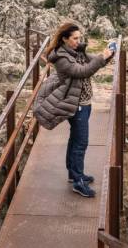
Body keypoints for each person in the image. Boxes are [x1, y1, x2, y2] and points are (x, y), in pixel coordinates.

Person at [40, 22, 113, 197]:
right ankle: (78, 182)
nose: (78, 41)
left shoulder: (76, 50)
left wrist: (108, 55)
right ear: (65, 39)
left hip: (84, 101)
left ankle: (74, 175)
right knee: (81, 142)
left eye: (79, 38)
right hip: (76, 103)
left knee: (75, 139)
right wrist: (100, 58)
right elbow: (83, 71)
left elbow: (93, 61)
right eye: (74, 38)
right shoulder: (62, 58)